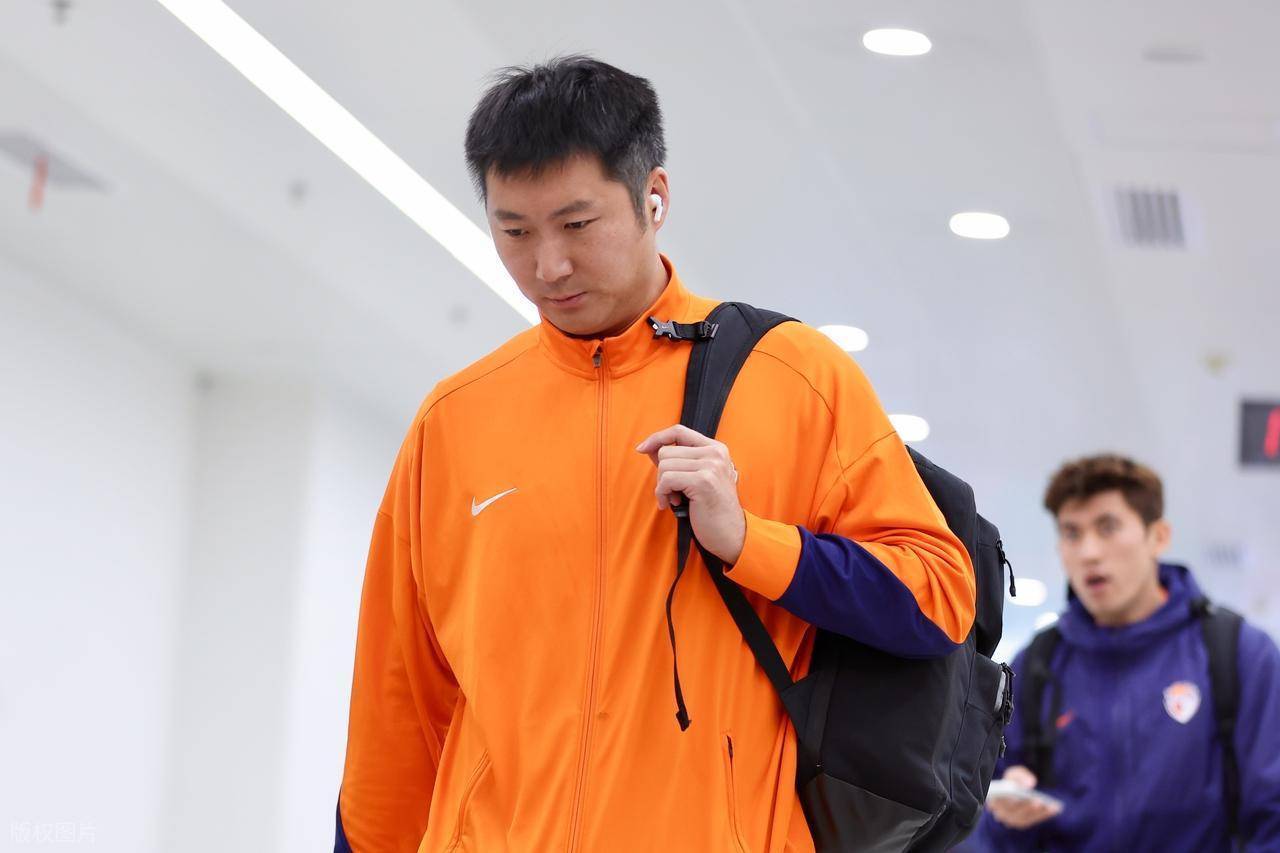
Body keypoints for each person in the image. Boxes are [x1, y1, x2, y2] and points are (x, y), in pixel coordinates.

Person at [333, 55, 975, 852]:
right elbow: (397, 698)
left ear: (653, 197)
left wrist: (750, 541)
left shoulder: (793, 374)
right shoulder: (453, 420)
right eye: (515, 231)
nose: (548, 266)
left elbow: (940, 597)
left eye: (577, 224)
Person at [976, 454, 1280, 851]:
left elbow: (1272, 816)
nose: (1088, 552)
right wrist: (1006, 815)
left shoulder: (1237, 654)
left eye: (1108, 527)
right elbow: (981, 828)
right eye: (1071, 533)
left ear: (1159, 536)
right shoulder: (1036, 666)